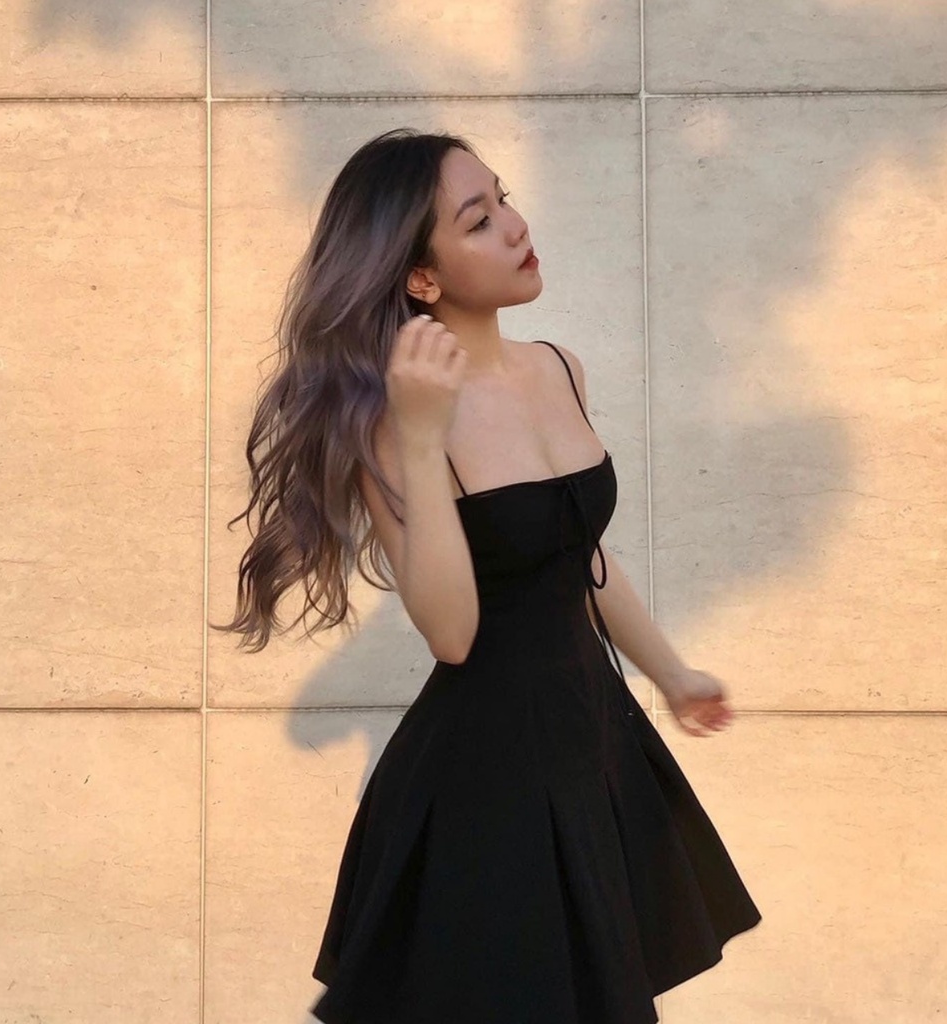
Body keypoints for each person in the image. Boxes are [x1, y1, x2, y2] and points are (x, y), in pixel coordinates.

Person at [212, 127, 762, 1024]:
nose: (514, 225)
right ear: (422, 279)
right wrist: (421, 436)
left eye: (502, 198)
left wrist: (672, 674)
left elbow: (578, 556)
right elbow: (452, 632)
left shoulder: (559, 368)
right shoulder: (393, 423)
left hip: (591, 740)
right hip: (487, 776)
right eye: (478, 220)